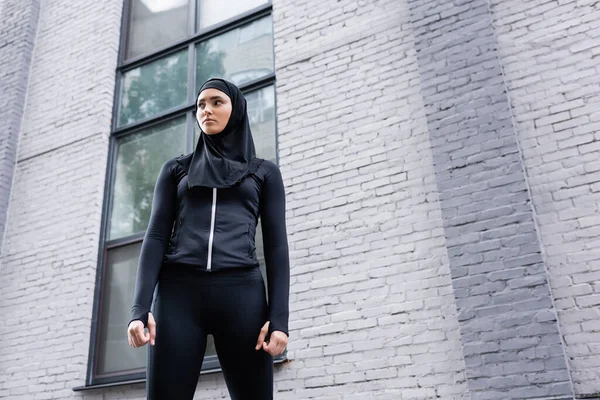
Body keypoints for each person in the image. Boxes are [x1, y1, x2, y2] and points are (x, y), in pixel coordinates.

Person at [126, 77, 290, 400]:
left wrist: (279, 319)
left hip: (242, 295)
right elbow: (156, 237)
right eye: (201, 104)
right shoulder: (176, 170)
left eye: (217, 102)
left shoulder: (264, 173)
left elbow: (276, 248)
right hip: (178, 296)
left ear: (237, 109)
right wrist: (138, 308)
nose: (207, 111)